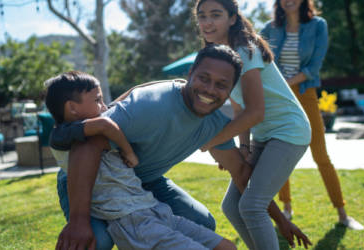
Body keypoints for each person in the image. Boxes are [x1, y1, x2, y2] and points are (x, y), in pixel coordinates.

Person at [55, 45, 310, 250]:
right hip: (89, 178)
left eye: (221, 85)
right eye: (204, 78)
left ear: (230, 90)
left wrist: (281, 221)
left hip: (144, 183)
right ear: (190, 75)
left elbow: (242, 174)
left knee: (202, 222)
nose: (210, 89)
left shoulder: (215, 125)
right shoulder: (150, 105)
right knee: (96, 241)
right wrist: (78, 220)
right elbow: (85, 145)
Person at [45, 71, 236, 250]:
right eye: (98, 100)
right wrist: (129, 152)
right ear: (72, 108)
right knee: (98, 241)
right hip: (131, 221)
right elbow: (105, 124)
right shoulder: (61, 136)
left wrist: (173, 85)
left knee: (227, 246)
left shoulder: (93, 125)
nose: (105, 107)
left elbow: (121, 105)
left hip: (151, 207)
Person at [193, 0, 313, 249]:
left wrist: (212, 142)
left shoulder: (245, 50)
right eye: (202, 16)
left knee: (251, 205)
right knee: (232, 207)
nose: (207, 22)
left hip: (288, 130)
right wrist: (244, 148)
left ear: (233, 18)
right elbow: (239, 106)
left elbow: (256, 112)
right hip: (263, 135)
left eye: (215, 15)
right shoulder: (221, 55)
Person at [261, 0, 364, 230]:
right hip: (278, 97)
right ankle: (286, 208)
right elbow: (260, 60)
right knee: (277, 153)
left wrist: (286, 84)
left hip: (305, 93)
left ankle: (342, 214)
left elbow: (313, 68)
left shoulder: (318, 25)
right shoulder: (269, 29)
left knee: (321, 154)